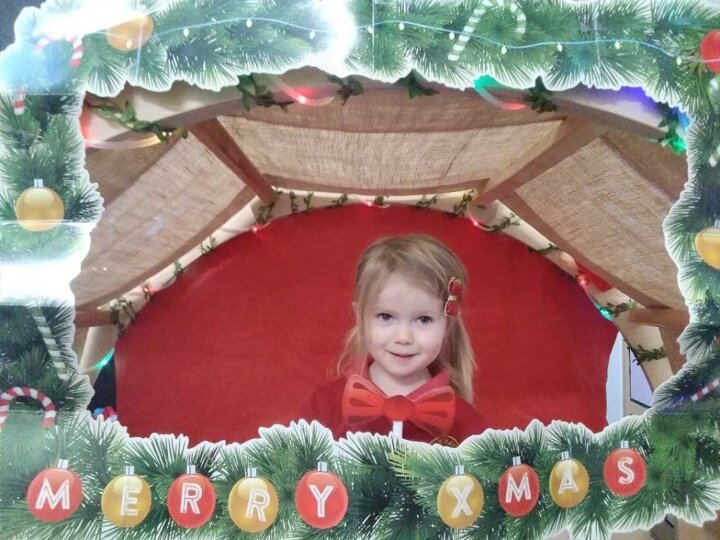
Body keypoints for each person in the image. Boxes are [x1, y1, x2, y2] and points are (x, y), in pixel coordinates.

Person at [298, 234, 486, 446]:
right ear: (360, 317)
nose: (403, 337)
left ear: (448, 325)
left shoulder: (469, 426)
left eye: (424, 319)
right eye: (385, 317)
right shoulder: (323, 407)